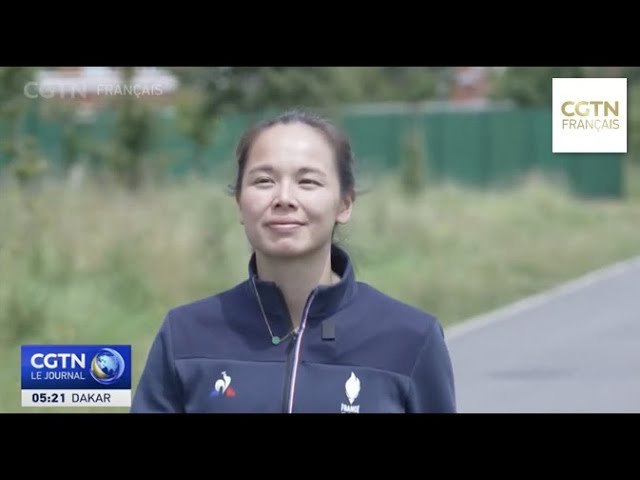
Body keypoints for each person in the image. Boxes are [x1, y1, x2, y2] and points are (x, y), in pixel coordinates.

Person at [130, 109, 456, 413]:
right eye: (264, 181)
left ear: (344, 204)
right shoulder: (185, 335)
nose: (284, 198)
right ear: (240, 203)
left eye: (307, 182)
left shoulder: (410, 338)